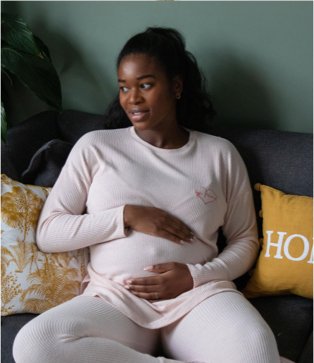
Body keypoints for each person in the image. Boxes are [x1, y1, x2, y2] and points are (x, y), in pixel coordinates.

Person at [13, 27, 282, 363]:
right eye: (124, 87)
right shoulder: (97, 147)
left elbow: (245, 240)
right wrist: (125, 216)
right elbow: (49, 232)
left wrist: (195, 275)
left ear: (176, 86)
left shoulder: (219, 154)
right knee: (34, 344)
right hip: (116, 299)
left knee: (257, 350)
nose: (132, 99)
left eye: (145, 85)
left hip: (197, 297)